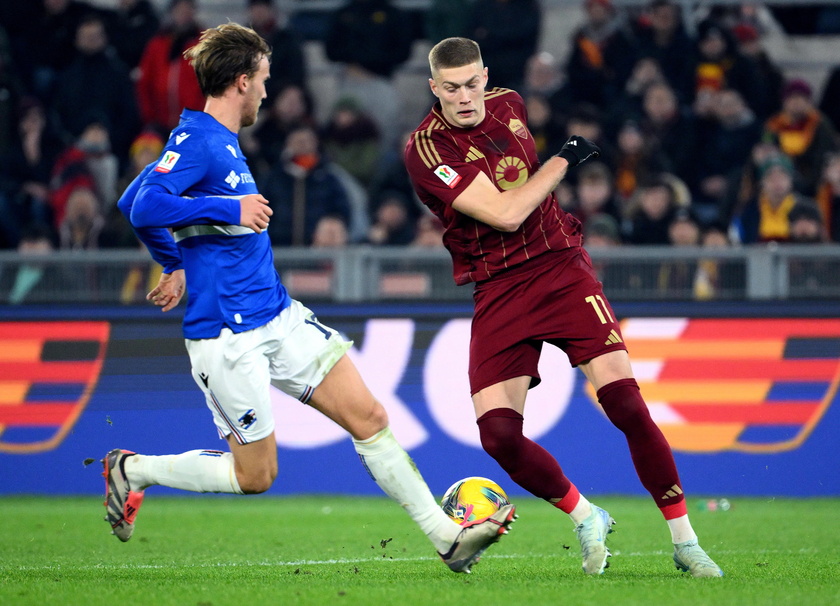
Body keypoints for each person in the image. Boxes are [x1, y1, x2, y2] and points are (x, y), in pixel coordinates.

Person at [103, 22, 514, 575]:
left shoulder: (215, 141)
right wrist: (229, 212)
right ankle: (136, 470)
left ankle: (447, 538)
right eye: (265, 80)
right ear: (243, 82)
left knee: (368, 415)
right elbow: (143, 205)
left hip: (277, 314)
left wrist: (175, 264)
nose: (269, 91)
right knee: (256, 476)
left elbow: (137, 196)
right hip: (227, 333)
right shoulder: (198, 140)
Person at [404, 37, 722, 578]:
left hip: (561, 267)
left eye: (473, 83)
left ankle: (686, 541)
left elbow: (526, 199)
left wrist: (550, 172)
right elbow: (505, 214)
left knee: (625, 404)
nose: (465, 97)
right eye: (451, 88)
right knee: (499, 436)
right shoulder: (426, 150)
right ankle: (585, 514)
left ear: (486, 76)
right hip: (499, 286)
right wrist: (565, 159)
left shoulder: (510, 104)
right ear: (435, 89)